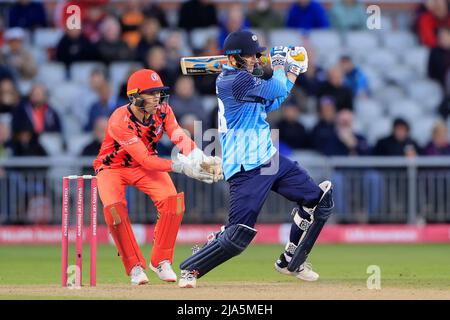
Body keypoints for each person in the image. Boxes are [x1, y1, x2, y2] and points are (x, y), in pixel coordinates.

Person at [178, 30, 334, 288]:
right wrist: (283, 64)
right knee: (238, 235)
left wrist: (290, 72)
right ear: (235, 58)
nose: (255, 59)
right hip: (245, 166)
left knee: (318, 200)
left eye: (256, 54)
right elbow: (275, 86)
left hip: (267, 157)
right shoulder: (233, 81)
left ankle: (290, 259)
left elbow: (273, 99)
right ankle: (191, 268)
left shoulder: (247, 79)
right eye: (250, 55)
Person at [93, 68, 222, 285]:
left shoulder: (163, 110)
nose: (157, 98)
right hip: (112, 167)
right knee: (114, 210)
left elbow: (178, 134)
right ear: (135, 96)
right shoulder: (119, 119)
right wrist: (182, 167)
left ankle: (160, 261)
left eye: (159, 92)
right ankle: (134, 266)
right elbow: (144, 159)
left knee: (173, 203)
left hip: (145, 167)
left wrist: (199, 157)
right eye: (151, 93)